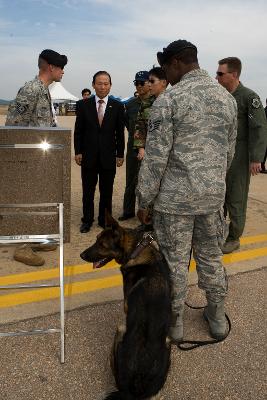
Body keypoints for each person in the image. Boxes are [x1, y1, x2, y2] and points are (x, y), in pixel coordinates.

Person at [136, 39, 237, 342]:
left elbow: (155, 158)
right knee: (210, 258)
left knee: (174, 262)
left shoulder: (169, 100)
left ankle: (175, 323)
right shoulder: (226, 99)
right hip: (211, 200)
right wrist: (212, 183)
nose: (167, 74)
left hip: (175, 203)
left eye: (167, 67)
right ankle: (217, 317)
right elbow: (228, 154)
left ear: (177, 62)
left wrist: (144, 199)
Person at [5, 49, 68, 266]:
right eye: (60, 67)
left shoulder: (44, 90)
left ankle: (34, 239)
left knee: (38, 200)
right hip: (28, 160)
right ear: (50, 67)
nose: (62, 72)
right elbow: (12, 126)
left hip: (40, 159)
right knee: (27, 202)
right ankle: (22, 247)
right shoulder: (31, 89)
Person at [216, 57, 267, 253]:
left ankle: (234, 237)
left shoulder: (248, 97)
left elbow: (259, 128)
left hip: (239, 155)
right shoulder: (220, 96)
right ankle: (218, 232)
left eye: (221, 73)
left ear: (234, 74)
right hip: (220, 154)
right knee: (218, 196)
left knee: (236, 197)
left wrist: (256, 158)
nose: (217, 77)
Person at [74, 71, 125, 233]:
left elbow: (119, 132)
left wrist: (120, 154)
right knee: (88, 191)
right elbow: (78, 131)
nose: (103, 86)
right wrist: (78, 151)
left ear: (110, 85)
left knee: (107, 191)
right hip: (88, 156)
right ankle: (87, 220)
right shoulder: (83, 105)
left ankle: (105, 220)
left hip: (108, 157)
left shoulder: (117, 106)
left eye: (106, 83)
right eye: (99, 83)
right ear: (93, 85)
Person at [118, 71, 151, 221]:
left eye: (141, 83)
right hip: (132, 146)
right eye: (136, 83)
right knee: (131, 180)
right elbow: (127, 123)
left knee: (149, 181)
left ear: (149, 83)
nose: (138, 86)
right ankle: (128, 210)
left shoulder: (156, 102)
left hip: (150, 147)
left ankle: (145, 214)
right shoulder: (130, 104)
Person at [133, 67, 167, 161]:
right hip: (149, 152)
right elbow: (140, 127)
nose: (149, 85)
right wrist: (141, 148)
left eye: (152, 81)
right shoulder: (146, 104)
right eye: (149, 82)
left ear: (163, 82)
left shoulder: (174, 101)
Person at [260, 99, 267, 173]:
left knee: (264, 152)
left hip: (264, 134)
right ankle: (262, 168)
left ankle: (262, 167)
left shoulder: (263, 111)